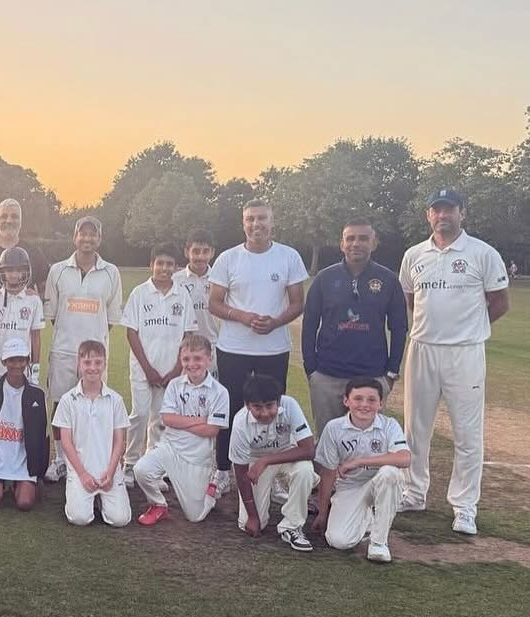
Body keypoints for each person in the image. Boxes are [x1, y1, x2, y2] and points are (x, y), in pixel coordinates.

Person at [398, 188, 510, 534]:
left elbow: (500, 302)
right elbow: (410, 299)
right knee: (415, 429)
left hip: (465, 352)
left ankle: (464, 507)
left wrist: (469, 329)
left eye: (449, 210)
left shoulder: (482, 253)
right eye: (436, 210)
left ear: (462, 213)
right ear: (428, 215)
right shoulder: (414, 255)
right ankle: (413, 492)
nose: (442, 216)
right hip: (422, 348)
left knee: (467, 433)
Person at [208, 199, 307, 496]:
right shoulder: (228, 259)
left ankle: (273, 471)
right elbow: (214, 302)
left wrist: (275, 322)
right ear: (243, 223)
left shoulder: (288, 256)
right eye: (250, 219)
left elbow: (297, 303)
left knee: (272, 412)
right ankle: (223, 470)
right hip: (233, 348)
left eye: (262, 218)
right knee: (231, 409)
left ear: (272, 222)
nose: (256, 224)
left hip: (273, 349)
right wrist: (242, 316)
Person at [302, 217, 408, 435]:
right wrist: (311, 368)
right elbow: (310, 324)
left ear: (373, 243)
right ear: (342, 244)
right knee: (327, 442)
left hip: (371, 376)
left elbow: (399, 328)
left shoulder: (388, 280)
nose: (356, 244)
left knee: (366, 443)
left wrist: (391, 372)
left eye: (363, 238)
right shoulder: (324, 278)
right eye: (350, 239)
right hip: (327, 376)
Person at [43, 216, 124, 482]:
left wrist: (91, 350)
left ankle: (90, 458)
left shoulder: (111, 272)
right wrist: (73, 339)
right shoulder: (57, 270)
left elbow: (110, 318)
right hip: (64, 351)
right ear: (74, 237)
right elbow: (54, 314)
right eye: (83, 233)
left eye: (93, 234)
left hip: (95, 357)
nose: (87, 238)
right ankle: (60, 461)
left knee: (94, 407)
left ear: (99, 239)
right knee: (60, 405)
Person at [133, 333, 230, 525]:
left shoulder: (220, 392)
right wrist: (200, 420)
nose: (191, 364)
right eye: (186, 359)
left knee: (195, 516)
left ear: (209, 359)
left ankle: (210, 493)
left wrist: (183, 421)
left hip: (196, 459)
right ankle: (158, 505)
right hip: (170, 448)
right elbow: (168, 419)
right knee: (141, 470)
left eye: (197, 359)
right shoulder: (175, 385)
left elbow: (212, 431)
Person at [121, 243, 196, 487]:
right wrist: (148, 369)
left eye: (169, 264)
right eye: (159, 263)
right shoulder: (140, 293)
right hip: (143, 369)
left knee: (161, 420)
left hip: (171, 370)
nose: (164, 268)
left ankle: (152, 466)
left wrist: (177, 368)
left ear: (176, 267)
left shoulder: (182, 295)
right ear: (151, 265)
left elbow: (187, 335)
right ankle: (130, 464)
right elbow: (131, 333)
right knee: (140, 415)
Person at [311, 378, 410, 563]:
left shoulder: (389, 425)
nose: (364, 405)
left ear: (381, 403)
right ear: (346, 401)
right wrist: (322, 512)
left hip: (379, 482)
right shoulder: (334, 428)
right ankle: (366, 519)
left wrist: (358, 461)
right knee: (338, 541)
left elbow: (404, 458)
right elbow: (328, 473)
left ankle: (379, 543)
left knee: (390, 473)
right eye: (358, 399)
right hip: (349, 487)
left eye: (371, 400)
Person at [0, 245, 45, 488]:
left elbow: (35, 336)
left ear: (26, 272)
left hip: (21, 367)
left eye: (18, 271)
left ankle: (21, 465)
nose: (13, 276)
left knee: (21, 417)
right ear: (1, 273)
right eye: (9, 271)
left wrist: (35, 367)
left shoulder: (34, 300)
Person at [229, 374, 319, 551]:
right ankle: (276, 489)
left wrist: (266, 460)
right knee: (248, 523)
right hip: (255, 463)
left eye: (270, 406)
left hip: (286, 453)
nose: (264, 413)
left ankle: (291, 526)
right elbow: (240, 472)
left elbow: (308, 450)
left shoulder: (290, 404)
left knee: (305, 470)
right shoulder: (240, 422)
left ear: (278, 401)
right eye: (257, 407)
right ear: (247, 406)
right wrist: (253, 517)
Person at [53, 339, 130, 527]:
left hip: (107, 470)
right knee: (79, 518)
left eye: (97, 362)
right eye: (87, 362)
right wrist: (83, 475)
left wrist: (111, 473)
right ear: (79, 364)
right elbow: (66, 442)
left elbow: (119, 441)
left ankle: (101, 498)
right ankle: (82, 494)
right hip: (82, 469)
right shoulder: (67, 400)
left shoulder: (115, 400)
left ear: (105, 363)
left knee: (119, 520)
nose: (92, 368)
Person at [0, 338, 48, 512]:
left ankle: (19, 484)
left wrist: (39, 473)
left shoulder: (37, 395)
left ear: (28, 361)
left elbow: (42, 436)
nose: (17, 365)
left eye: (21, 360)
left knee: (25, 503)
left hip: (24, 461)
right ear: (4, 362)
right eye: (12, 360)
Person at [0, 198, 52, 296]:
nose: (9, 221)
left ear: (21, 222)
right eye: (4, 216)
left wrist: (36, 300)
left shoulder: (34, 253)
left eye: (14, 217)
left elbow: (46, 290)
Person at [173, 230, 220, 365]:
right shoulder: (175, 280)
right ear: (187, 252)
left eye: (205, 251)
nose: (201, 256)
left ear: (212, 252)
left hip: (214, 348)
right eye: (196, 251)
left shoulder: (220, 279)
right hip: (183, 349)